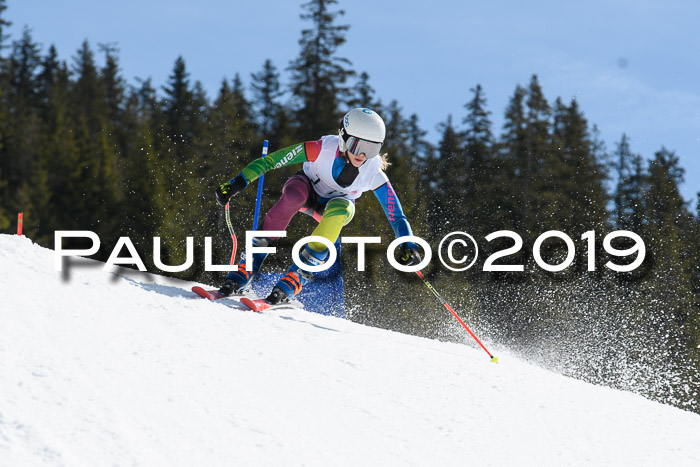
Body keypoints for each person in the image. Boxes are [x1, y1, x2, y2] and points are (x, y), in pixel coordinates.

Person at [215, 107, 421, 304]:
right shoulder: (321, 149)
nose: (363, 155)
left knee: (343, 210)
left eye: (372, 148)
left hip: (331, 208)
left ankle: (297, 276)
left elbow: (396, 215)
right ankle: (249, 264)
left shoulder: (373, 172)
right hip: (306, 190)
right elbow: (271, 161)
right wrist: (237, 183)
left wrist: (408, 244)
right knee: (293, 196)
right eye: (358, 146)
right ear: (344, 138)